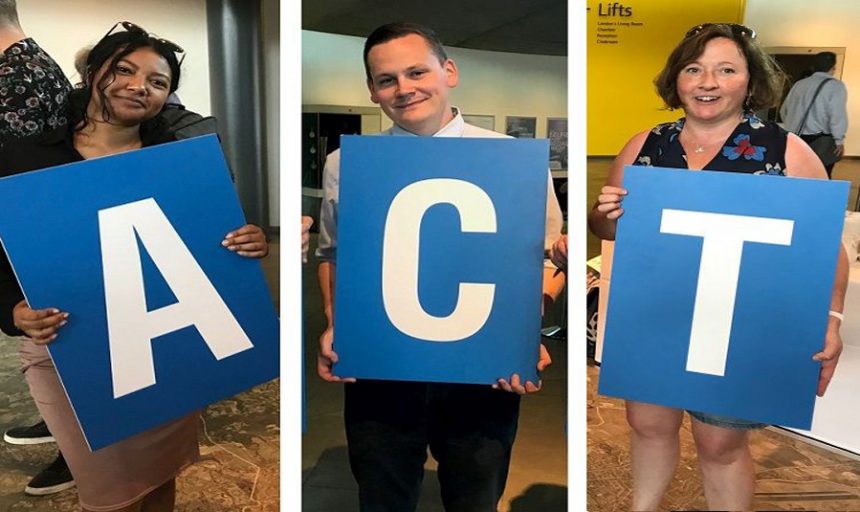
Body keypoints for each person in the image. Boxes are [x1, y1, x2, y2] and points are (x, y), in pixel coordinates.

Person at [0, 22, 267, 512]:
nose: (138, 85)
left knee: (162, 477)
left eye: (158, 81)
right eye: (123, 69)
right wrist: (11, 310)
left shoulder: (181, 162)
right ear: (93, 71)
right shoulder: (25, 159)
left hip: (168, 344)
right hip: (69, 347)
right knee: (109, 494)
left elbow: (211, 243)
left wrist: (247, 242)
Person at [588, 23, 847, 511]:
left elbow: (827, 245)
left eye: (726, 70)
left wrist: (831, 319)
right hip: (655, 318)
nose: (707, 82)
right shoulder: (645, 144)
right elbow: (607, 229)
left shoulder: (783, 150)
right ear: (677, 80)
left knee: (721, 445)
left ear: (750, 83)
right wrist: (605, 214)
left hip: (737, 326)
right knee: (647, 425)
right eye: (694, 69)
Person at [315, 22, 562, 511]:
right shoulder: (346, 164)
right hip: (383, 364)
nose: (403, 88)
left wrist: (521, 329)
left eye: (416, 72)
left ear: (448, 71)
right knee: (383, 496)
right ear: (372, 90)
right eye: (386, 79)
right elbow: (334, 253)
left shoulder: (513, 159)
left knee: (475, 495)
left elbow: (548, 259)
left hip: (483, 368)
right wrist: (334, 323)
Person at [0, 0, 74, 496]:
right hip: (44, 238)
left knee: (55, 333)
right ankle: (61, 425)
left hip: (40, 242)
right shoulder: (28, 64)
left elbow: (23, 187)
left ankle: (78, 448)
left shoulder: (17, 77)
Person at [780, 51, 848, 178]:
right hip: (821, 141)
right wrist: (839, 140)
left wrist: (792, 125)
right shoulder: (836, 86)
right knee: (821, 175)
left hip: (796, 139)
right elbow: (837, 115)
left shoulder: (799, 84)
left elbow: (784, 111)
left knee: (797, 175)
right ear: (833, 67)